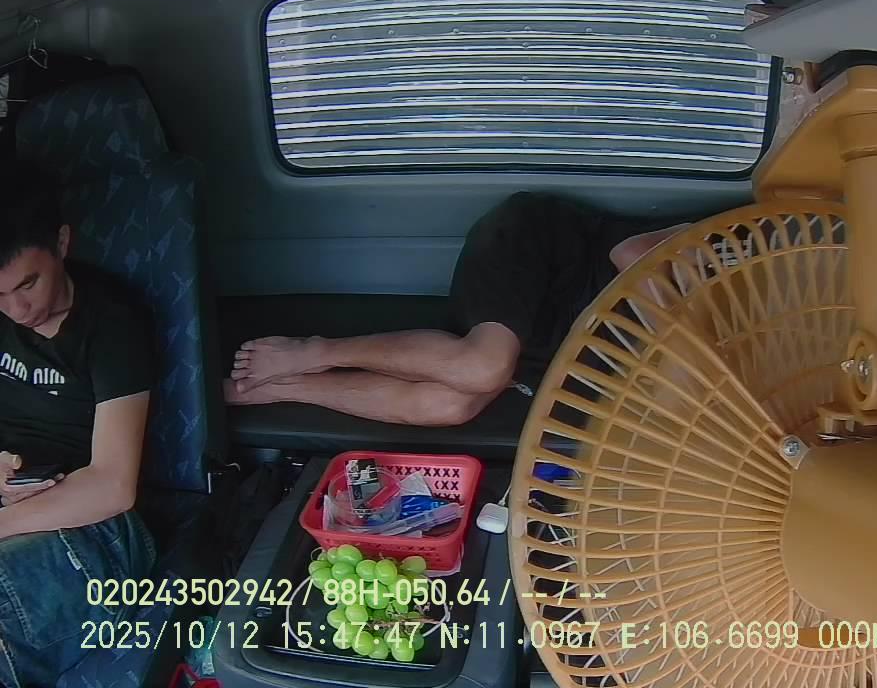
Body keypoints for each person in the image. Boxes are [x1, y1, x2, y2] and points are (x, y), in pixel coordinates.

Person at [225, 192, 687, 426]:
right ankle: (317, 351)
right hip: (553, 261)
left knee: (450, 405)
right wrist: (686, 365)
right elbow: (633, 254)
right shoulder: (736, 233)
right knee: (482, 367)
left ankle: (288, 387)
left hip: (563, 345)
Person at [0, 184, 156, 687]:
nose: (16, 310)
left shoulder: (111, 325)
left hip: (92, 521)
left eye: (28, 284)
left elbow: (113, 485)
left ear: (62, 244)